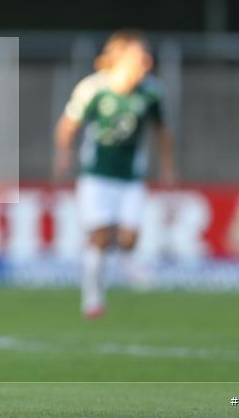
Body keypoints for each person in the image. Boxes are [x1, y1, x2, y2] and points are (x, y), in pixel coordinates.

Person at [53, 30, 174, 319]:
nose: (146, 62)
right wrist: (64, 152)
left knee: (129, 238)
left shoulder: (152, 92)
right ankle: (92, 297)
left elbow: (162, 131)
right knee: (100, 237)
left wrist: (169, 165)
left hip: (131, 177)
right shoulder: (93, 89)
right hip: (97, 175)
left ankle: (126, 262)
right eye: (139, 56)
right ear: (120, 60)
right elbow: (68, 125)